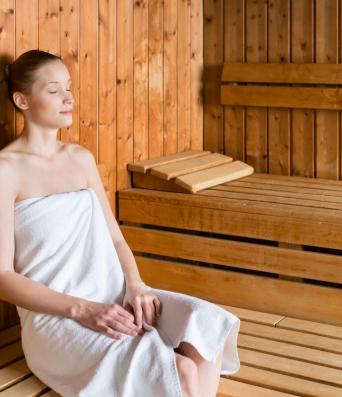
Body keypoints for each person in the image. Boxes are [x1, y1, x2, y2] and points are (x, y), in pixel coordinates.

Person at [0, 50, 240, 397]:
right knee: (183, 370)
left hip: (112, 297)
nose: (68, 98)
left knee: (205, 325)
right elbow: (3, 278)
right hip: (58, 321)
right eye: (54, 90)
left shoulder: (80, 159)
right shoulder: (6, 170)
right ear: (21, 100)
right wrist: (83, 309)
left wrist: (137, 286)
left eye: (69, 88)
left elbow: (115, 240)